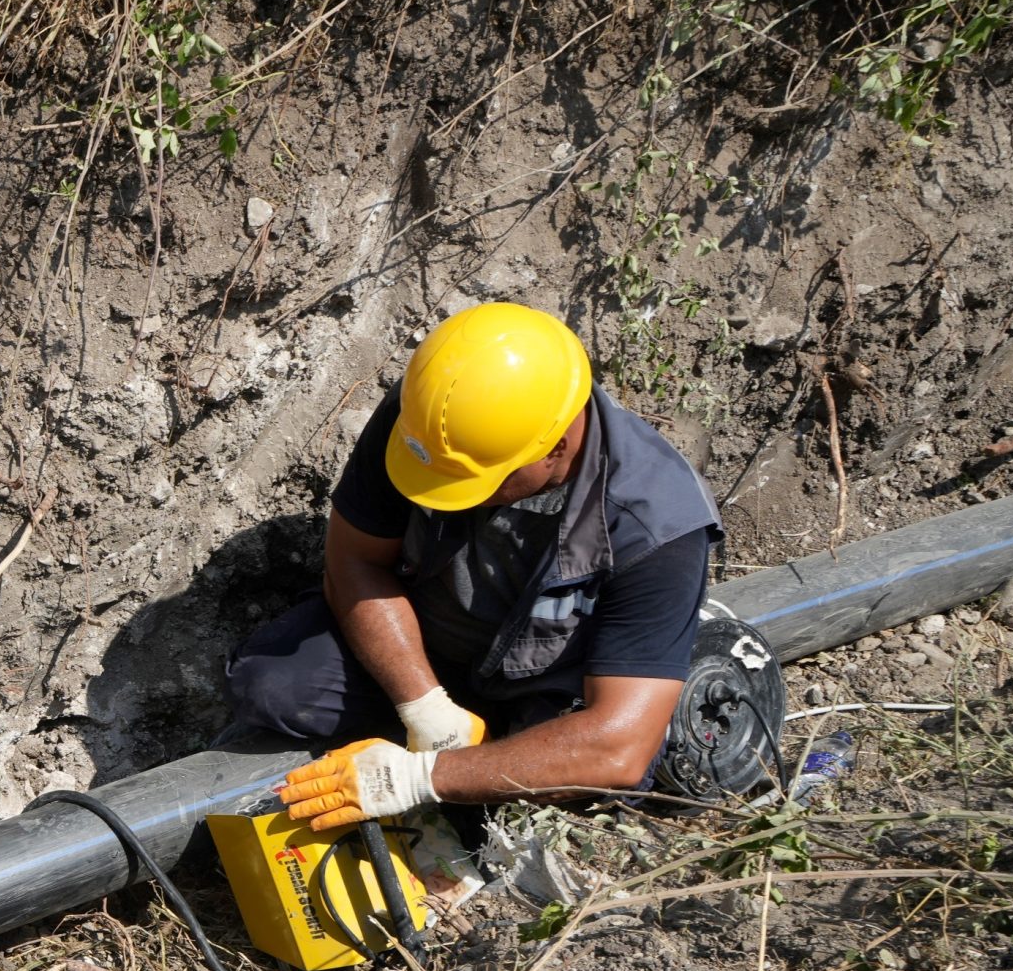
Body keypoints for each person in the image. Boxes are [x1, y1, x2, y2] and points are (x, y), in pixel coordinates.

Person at [222, 302, 723, 830]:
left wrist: (419, 779)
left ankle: (470, 777)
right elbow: (354, 559)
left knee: (577, 785)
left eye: (479, 485)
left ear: (555, 447)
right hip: (428, 650)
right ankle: (449, 751)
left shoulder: (656, 523)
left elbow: (616, 748)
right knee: (276, 686)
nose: (451, 499)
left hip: (546, 691)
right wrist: (424, 709)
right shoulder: (433, 427)